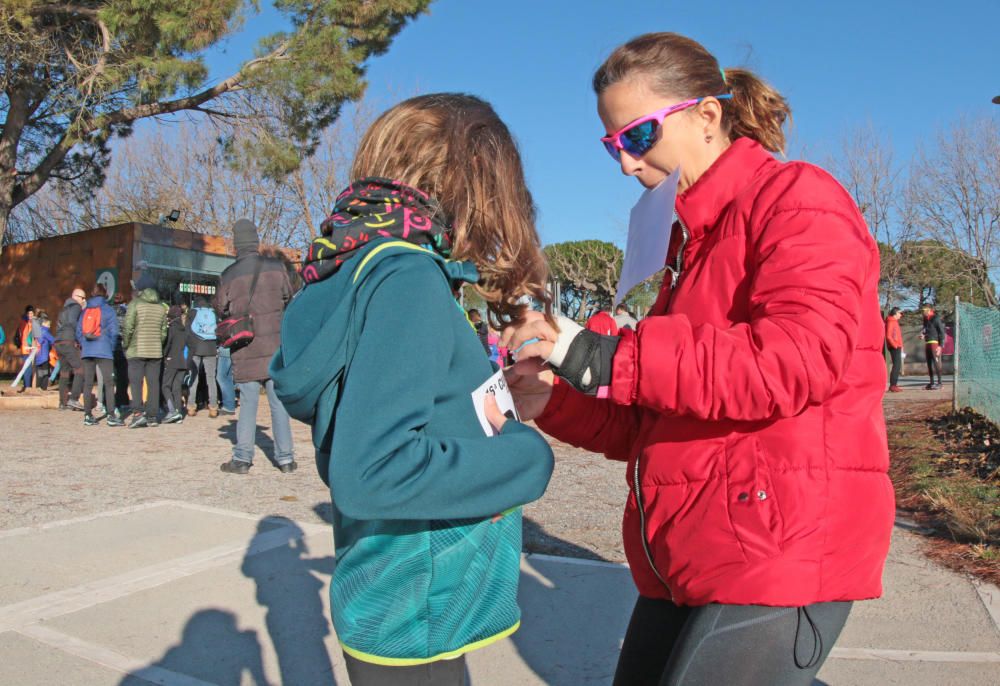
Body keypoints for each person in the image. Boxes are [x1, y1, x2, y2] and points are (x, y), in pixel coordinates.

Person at [503, 33, 894, 685]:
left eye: (637, 137)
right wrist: (554, 399)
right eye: (612, 146)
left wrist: (598, 356)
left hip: (779, 549)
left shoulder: (799, 200)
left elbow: (792, 362)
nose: (626, 165)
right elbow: (653, 424)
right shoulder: (686, 250)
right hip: (691, 553)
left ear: (706, 115)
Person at [271, 93, 555, 683]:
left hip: (396, 601)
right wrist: (525, 456)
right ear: (475, 179)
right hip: (416, 606)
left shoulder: (361, 260)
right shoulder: (408, 276)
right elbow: (374, 469)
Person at [216, 219, 296, 473]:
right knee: (278, 403)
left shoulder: (228, 275)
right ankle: (286, 459)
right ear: (256, 240)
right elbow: (289, 296)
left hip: (246, 347)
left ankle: (242, 458)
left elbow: (220, 308)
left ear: (236, 244)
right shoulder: (276, 267)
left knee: (248, 403)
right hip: (275, 346)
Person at [122, 273, 168, 428]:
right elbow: (163, 332)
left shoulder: (135, 304)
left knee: (136, 382)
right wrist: (157, 343)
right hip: (155, 351)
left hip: (137, 349)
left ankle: (137, 413)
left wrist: (126, 344)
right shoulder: (161, 307)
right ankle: (153, 416)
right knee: (154, 383)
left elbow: (128, 327)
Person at [77, 284, 122, 426]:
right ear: (105, 294)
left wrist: (84, 344)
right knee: (109, 383)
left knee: (88, 383)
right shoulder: (108, 310)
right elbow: (114, 332)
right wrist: (111, 347)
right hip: (104, 350)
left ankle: (87, 416)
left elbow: (78, 331)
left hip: (87, 351)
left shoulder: (85, 310)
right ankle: (110, 415)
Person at [185, 296, 219, 417]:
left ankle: (191, 407)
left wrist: (190, 346)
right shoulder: (214, 313)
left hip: (196, 348)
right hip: (211, 349)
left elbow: (187, 331)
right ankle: (213, 407)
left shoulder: (193, 312)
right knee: (211, 378)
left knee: (194, 377)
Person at [54, 289, 87, 410]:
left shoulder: (64, 308)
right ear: (75, 296)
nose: (84, 300)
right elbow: (74, 323)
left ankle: (62, 403)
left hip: (58, 342)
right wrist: (79, 339)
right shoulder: (76, 306)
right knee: (80, 369)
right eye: (82, 297)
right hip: (69, 340)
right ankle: (74, 399)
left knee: (64, 372)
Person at [162, 305, 188, 424]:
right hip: (183, 362)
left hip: (172, 360)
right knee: (177, 388)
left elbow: (168, 344)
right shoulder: (184, 329)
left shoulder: (171, 328)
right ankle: (178, 412)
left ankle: (172, 411)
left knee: (165, 386)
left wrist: (164, 355)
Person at [920, 304, 947, 390]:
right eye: (923, 310)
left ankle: (940, 383)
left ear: (929, 310)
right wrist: (923, 335)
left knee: (936, 363)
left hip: (934, 343)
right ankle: (931, 382)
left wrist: (940, 346)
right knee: (929, 364)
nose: (923, 312)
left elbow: (942, 333)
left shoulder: (936, 318)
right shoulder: (925, 319)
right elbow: (925, 330)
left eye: (925, 310)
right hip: (927, 342)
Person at [15, 305, 36, 391]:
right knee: (28, 369)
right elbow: (27, 337)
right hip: (28, 348)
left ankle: (27, 385)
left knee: (27, 368)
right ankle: (27, 386)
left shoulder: (23, 322)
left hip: (26, 348)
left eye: (32, 313)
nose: (31, 315)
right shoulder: (27, 323)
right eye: (29, 313)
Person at [34, 314, 55, 391]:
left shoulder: (37, 331)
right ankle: (43, 389)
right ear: (43, 323)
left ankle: (38, 388)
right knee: (45, 374)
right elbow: (53, 340)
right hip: (44, 357)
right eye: (48, 324)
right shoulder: (45, 331)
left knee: (39, 374)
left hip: (38, 357)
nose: (49, 326)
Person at [886, 307, 904, 392]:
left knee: (897, 365)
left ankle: (894, 385)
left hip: (897, 345)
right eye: (900, 313)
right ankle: (893, 385)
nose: (901, 315)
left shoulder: (894, 322)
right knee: (896, 366)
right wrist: (895, 345)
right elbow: (889, 336)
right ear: (895, 313)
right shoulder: (891, 321)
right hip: (894, 346)